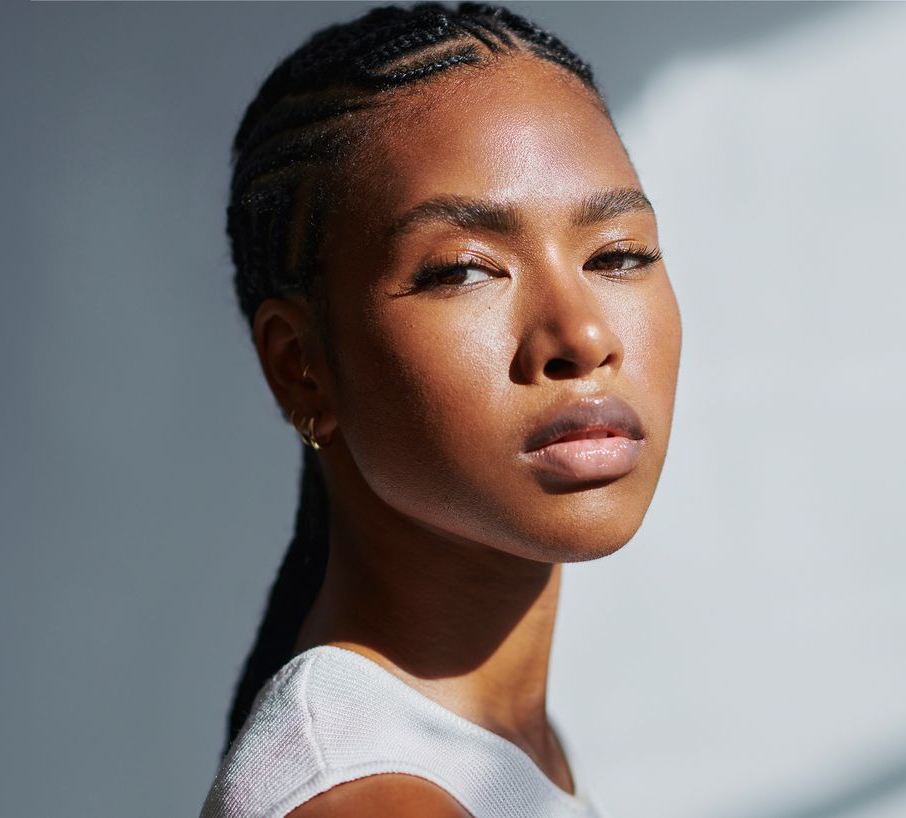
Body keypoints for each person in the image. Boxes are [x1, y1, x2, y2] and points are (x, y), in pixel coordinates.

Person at [200, 3, 682, 816]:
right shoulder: (378, 799)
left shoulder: (481, 748)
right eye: (463, 270)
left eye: (618, 254)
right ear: (302, 367)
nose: (582, 335)